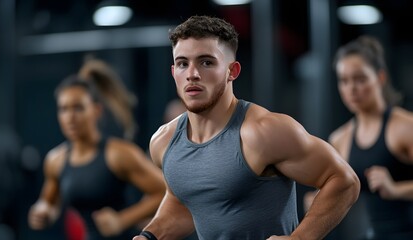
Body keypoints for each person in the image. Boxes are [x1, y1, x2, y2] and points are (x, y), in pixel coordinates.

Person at [133, 15, 360, 240]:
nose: (192, 74)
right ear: (174, 72)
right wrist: (149, 236)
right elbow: (183, 203)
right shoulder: (163, 142)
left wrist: (300, 238)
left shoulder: (264, 131)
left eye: (206, 62)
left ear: (232, 71)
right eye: (183, 63)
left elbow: (344, 181)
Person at [28, 59, 166, 240]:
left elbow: (166, 191)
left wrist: (122, 220)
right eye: (63, 109)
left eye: (78, 108)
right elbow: (50, 203)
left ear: (96, 110)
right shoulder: (56, 159)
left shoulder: (119, 154)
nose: (70, 117)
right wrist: (43, 211)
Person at [327, 36, 413, 239]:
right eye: (344, 81)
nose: (351, 89)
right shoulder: (339, 138)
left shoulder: (405, 127)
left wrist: (396, 189)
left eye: (360, 79)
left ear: (380, 78)